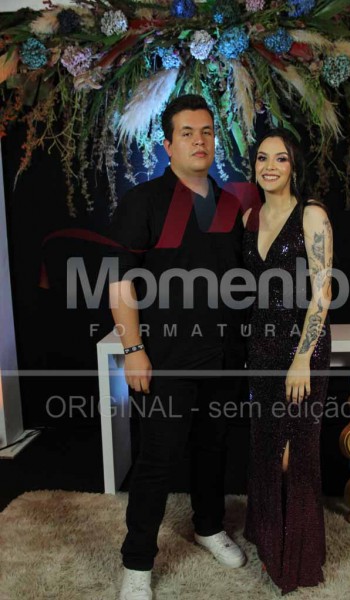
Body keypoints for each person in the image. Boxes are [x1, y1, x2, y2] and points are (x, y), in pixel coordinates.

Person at [108, 94, 247, 600]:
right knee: (157, 460)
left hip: (224, 357)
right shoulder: (142, 201)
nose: (199, 141)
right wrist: (133, 349)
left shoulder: (230, 205)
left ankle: (208, 527)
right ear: (167, 145)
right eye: (187, 133)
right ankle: (137, 563)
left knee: (213, 448)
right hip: (166, 358)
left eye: (207, 131)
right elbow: (120, 283)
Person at [242, 128, 332, 595]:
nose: (270, 166)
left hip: (301, 350)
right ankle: (268, 539)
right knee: (264, 446)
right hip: (260, 349)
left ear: (294, 165)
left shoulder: (311, 215)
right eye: (262, 158)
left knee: (292, 453)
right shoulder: (249, 217)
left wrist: (302, 359)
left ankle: (297, 558)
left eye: (280, 158)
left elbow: (323, 293)